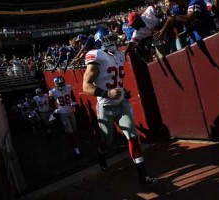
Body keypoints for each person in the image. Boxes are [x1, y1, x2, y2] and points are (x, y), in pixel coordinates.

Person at [82, 27, 157, 184]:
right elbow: (86, 87)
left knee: (133, 136)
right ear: (99, 42)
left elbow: (119, 71)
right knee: (107, 140)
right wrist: (107, 93)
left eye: (113, 38)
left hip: (121, 103)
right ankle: (101, 153)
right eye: (109, 39)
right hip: (106, 106)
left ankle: (143, 175)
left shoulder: (118, 55)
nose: (114, 41)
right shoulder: (96, 56)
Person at [49, 76, 81, 158]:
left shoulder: (68, 87)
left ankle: (74, 142)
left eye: (62, 83)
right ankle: (76, 148)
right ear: (55, 84)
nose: (61, 85)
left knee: (74, 129)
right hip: (63, 112)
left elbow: (72, 97)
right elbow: (51, 102)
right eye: (59, 84)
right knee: (70, 131)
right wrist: (55, 110)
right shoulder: (52, 91)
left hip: (71, 110)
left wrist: (73, 102)